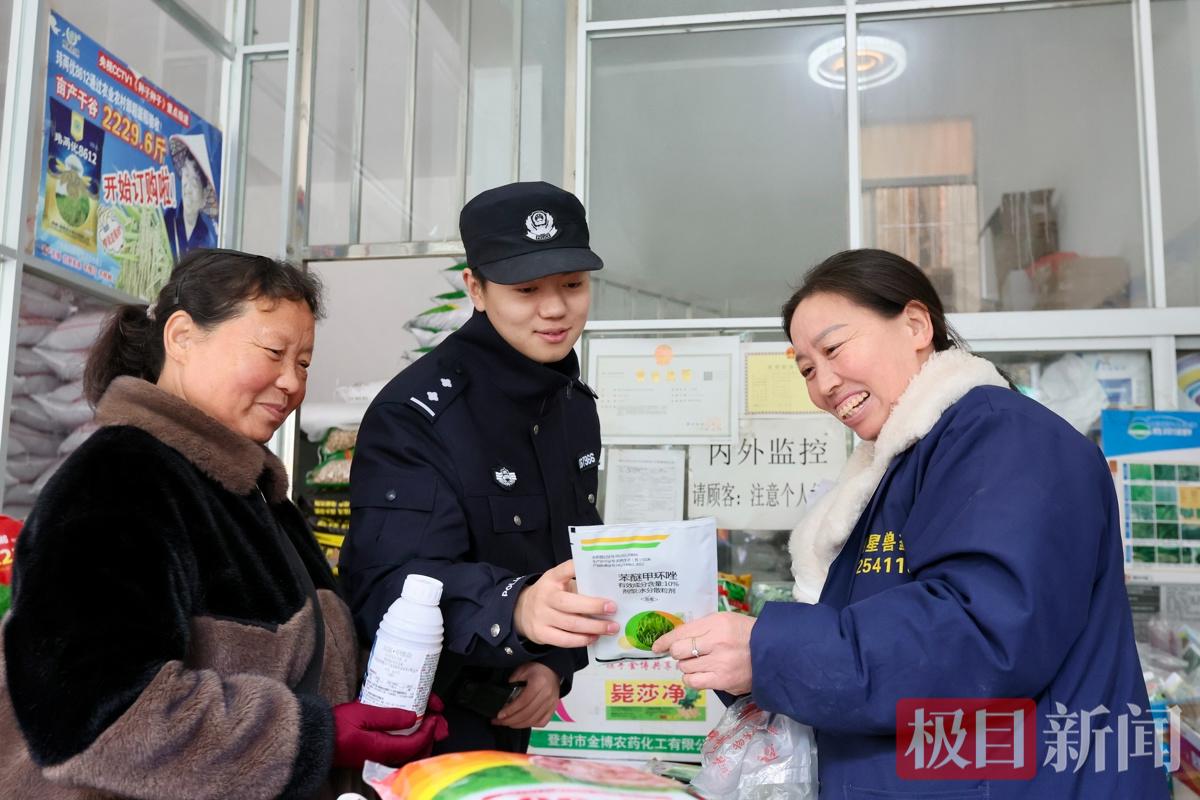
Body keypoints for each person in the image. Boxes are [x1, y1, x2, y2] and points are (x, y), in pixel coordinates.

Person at [654, 249, 1169, 798]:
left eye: (833, 348)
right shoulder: (895, 471)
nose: (824, 382)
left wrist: (769, 651)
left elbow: (980, 635)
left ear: (917, 324)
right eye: (806, 368)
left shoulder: (1006, 438)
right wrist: (742, 656)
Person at [0, 249, 447, 799]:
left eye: (303, 362)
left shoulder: (245, 488)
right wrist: (319, 737)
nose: (291, 383)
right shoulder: (119, 479)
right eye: (273, 352)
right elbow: (95, 720)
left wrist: (378, 691)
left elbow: (287, 658)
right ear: (183, 337)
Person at [341, 182, 617, 754]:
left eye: (572, 284)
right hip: (422, 724)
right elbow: (383, 587)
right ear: (477, 289)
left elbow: (563, 559)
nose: (555, 308)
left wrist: (552, 664)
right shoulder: (416, 415)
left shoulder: (571, 405)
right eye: (525, 289)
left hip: (508, 718)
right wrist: (515, 609)